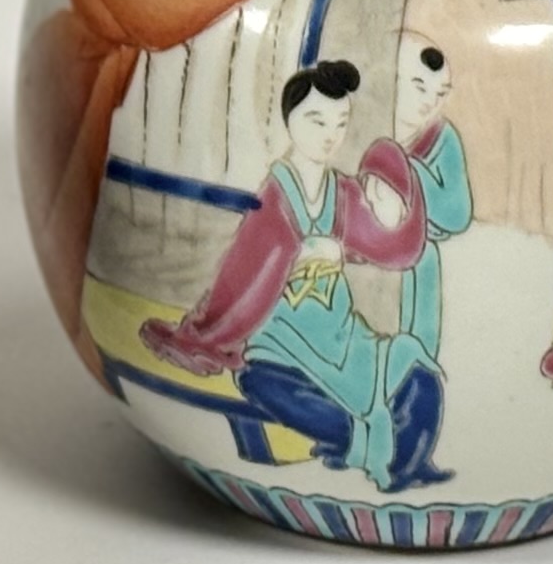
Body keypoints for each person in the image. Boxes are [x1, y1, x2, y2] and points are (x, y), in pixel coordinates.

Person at [142, 59, 451, 491]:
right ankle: (365, 445)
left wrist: (391, 209)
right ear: (290, 120)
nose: (329, 134)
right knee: (263, 385)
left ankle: (410, 466)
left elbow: (388, 247)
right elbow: (245, 278)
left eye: (339, 122)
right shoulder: (273, 199)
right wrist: (302, 254)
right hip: (282, 342)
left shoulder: (341, 193)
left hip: (344, 339)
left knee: (418, 372)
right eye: (316, 120)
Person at [356, 37, 474, 377]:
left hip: (418, 262)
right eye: (419, 88)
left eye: (440, 94)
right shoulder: (362, 125)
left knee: (414, 350)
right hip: (361, 254)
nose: (429, 103)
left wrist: (403, 170)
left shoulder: (441, 138)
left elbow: (457, 213)